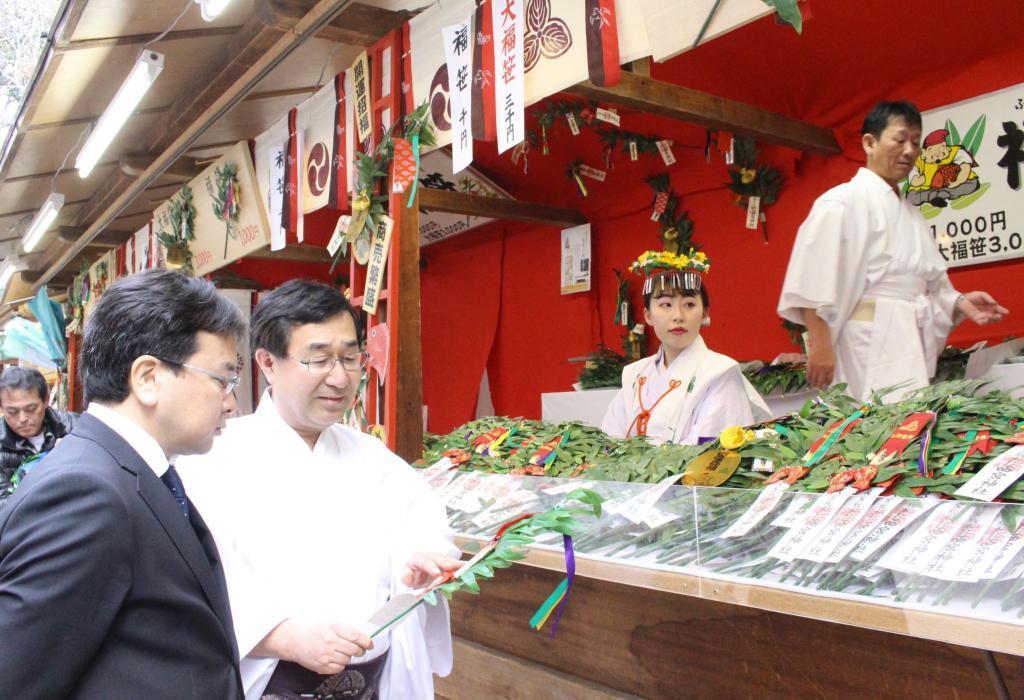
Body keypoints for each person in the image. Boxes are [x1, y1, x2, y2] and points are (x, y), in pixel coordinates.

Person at [177, 279, 460, 700]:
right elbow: (199, 575)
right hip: (272, 684)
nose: (340, 377)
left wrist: (419, 557)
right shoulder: (215, 459)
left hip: (373, 683)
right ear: (267, 363)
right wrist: (283, 638)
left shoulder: (372, 456)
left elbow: (422, 522)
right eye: (319, 359)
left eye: (350, 358)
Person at [0, 269, 246, 699]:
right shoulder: (86, 492)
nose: (230, 403)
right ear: (148, 377)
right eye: (222, 380)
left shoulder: (134, 470)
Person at [778, 100, 1008, 401]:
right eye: (900, 140)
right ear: (869, 142)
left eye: (916, 142)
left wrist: (961, 302)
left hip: (909, 334)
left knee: (909, 421)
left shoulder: (913, 214)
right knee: (873, 427)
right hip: (867, 335)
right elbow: (813, 276)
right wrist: (820, 345)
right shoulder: (841, 202)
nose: (910, 150)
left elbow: (931, 282)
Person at [602, 250, 770, 445]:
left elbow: (709, 450)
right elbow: (610, 438)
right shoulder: (634, 374)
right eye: (665, 304)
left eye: (689, 304)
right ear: (648, 315)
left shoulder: (719, 373)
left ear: (705, 313)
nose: (678, 315)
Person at [0, 366, 75, 502]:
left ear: (46, 400)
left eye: (31, 409)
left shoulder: (75, 427)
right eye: (12, 411)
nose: (22, 418)